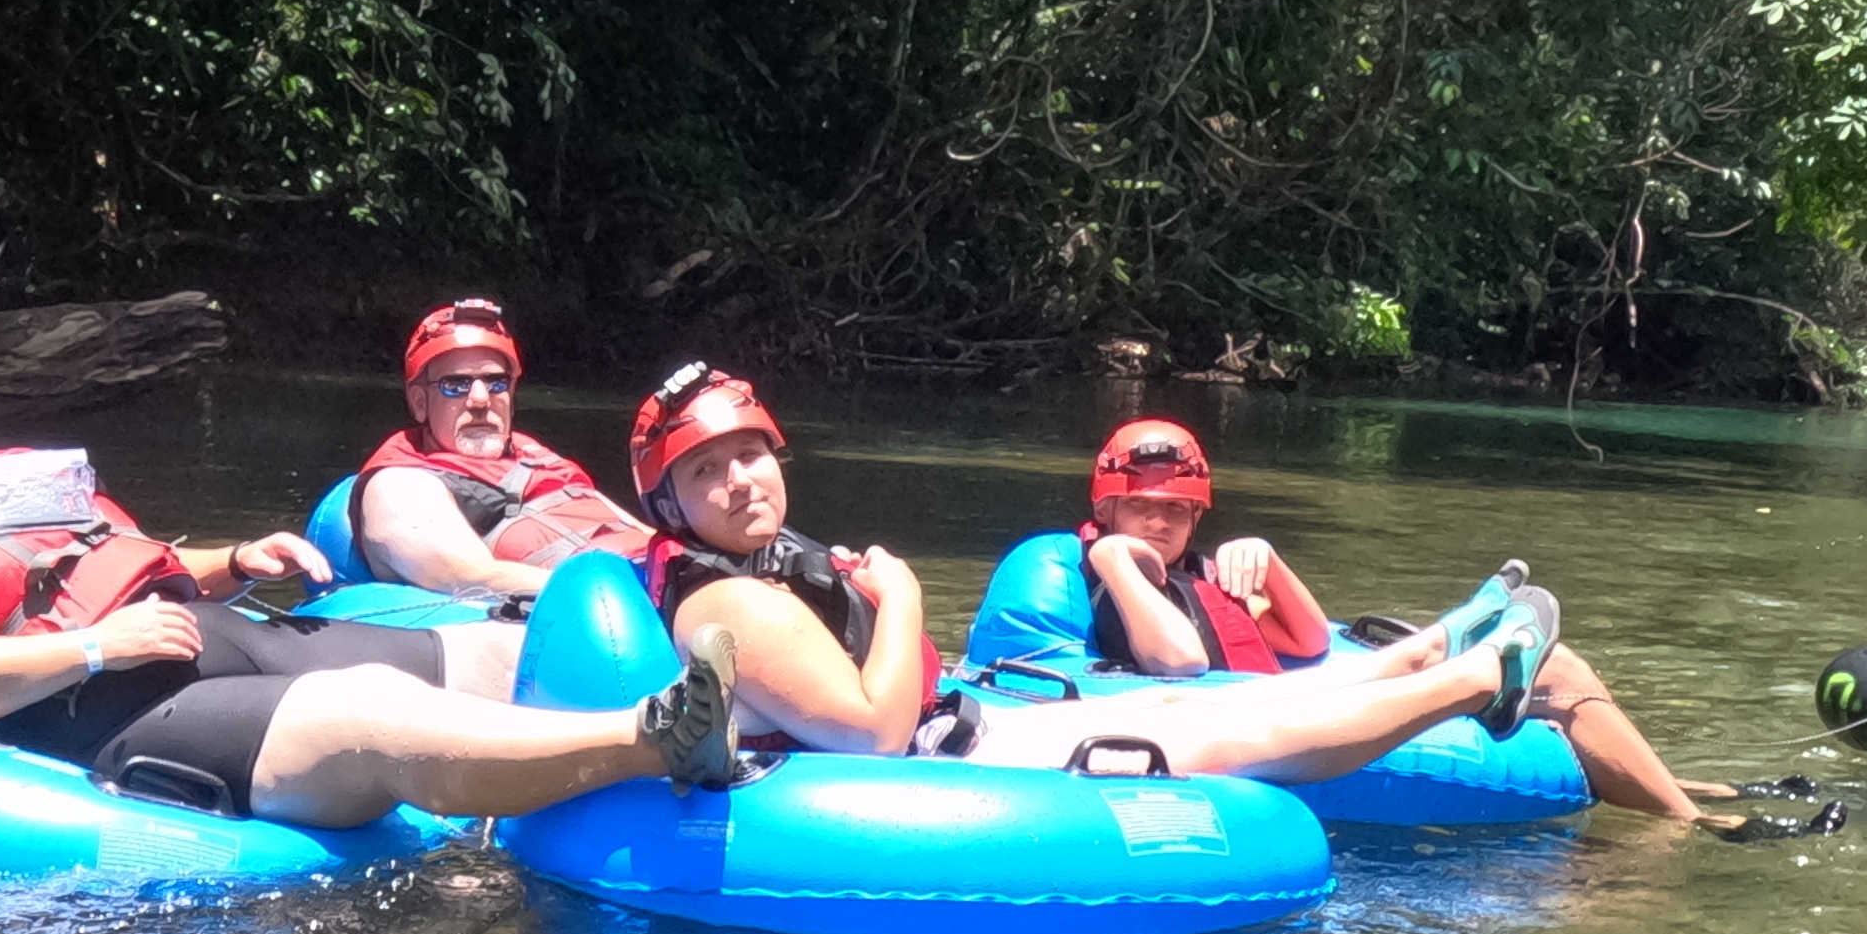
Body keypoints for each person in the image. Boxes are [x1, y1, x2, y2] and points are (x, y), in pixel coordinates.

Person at [0, 329, 740, 823]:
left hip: (191, 636)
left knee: (491, 650)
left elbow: (125, 565)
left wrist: (233, 559)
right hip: (84, 702)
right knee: (360, 712)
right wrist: (89, 649)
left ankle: (747, 713)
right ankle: (655, 741)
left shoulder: (18, 507)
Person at [622, 362, 1556, 786]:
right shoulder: (734, 597)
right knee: (1244, 734)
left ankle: (1455, 657)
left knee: (1211, 710)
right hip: (941, 762)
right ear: (670, 503)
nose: (741, 481)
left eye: (751, 454)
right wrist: (904, 596)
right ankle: (1480, 680)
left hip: (960, 728)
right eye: (708, 470)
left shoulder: (765, 565)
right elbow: (868, 734)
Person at [1068, 414, 1711, 822]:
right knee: (1553, 668)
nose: (1160, 522)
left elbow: (1309, 639)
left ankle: (1682, 794)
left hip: (1283, 691)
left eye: (1177, 511)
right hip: (1245, 713)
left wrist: (1269, 563)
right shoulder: (1109, 576)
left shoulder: (1205, 573)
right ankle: (1691, 821)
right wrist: (1120, 560)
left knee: (1555, 663)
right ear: (1107, 508)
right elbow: (1177, 664)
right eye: (1142, 507)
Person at [336, 299, 632, 598]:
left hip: (650, 579)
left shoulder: (537, 457)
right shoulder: (399, 484)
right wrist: (634, 590)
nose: (480, 399)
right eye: (456, 385)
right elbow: (469, 577)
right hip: (609, 601)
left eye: (496, 383)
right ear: (419, 402)